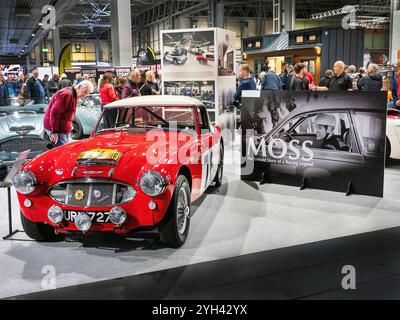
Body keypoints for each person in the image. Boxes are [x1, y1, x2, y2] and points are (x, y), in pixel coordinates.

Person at [44, 80, 94, 146]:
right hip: (58, 129)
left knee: (65, 149)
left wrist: (69, 124)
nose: (84, 95)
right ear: (79, 86)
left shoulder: (73, 95)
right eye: (85, 92)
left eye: (87, 94)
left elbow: (67, 113)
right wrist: (54, 132)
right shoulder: (67, 94)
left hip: (62, 128)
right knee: (62, 152)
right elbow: (54, 113)